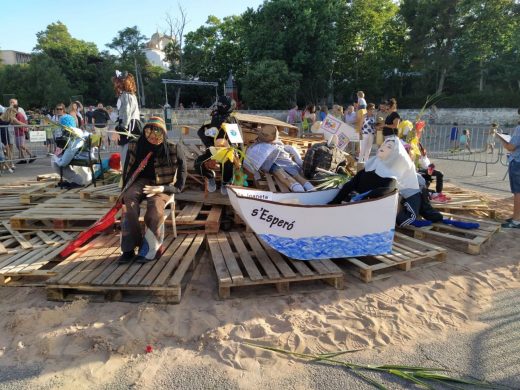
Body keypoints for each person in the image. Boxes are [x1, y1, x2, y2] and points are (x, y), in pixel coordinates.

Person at [119, 116, 187, 263]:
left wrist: (162, 188)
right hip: (140, 181)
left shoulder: (173, 148)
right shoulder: (135, 145)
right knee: (129, 202)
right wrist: (123, 192)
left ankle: (150, 247)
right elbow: (127, 171)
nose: (154, 140)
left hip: (163, 183)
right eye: (150, 137)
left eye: (157, 137)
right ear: (145, 133)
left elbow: (180, 184)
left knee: (155, 208)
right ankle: (129, 248)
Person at [330, 136, 420, 227]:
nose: (383, 147)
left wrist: (364, 196)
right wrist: (334, 202)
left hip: (370, 211)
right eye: (383, 145)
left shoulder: (391, 175)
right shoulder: (370, 168)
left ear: (394, 154)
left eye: (389, 147)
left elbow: (386, 190)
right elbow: (351, 184)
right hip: (356, 205)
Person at [245, 124, 314, 192]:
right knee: (286, 173)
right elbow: (290, 148)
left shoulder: (256, 147)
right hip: (279, 163)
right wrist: (298, 160)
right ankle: (306, 189)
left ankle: (302, 189)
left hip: (276, 163)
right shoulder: (268, 145)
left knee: (283, 173)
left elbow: (251, 158)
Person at [195, 95, 237, 195]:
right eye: (220, 104)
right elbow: (200, 131)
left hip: (227, 150)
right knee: (198, 163)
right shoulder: (214, 116)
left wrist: (234, 149)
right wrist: (208, 144)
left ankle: (225, 182)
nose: (220, 106)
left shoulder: (232, 119)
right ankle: (210, 177)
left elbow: (236, 138)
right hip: (212, 149)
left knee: (228, 164)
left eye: (223, 105)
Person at [51, 114, 95, 187]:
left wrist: (56, 158)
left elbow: (65, 160)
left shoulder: (73, 136)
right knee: (60, 158)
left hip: (83, 157)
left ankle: (77, 180)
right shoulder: (82, 132)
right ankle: (76, 179)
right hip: (87, 155)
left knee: (54, 161)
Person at [112, 71, 141, 169]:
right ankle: (128, 174)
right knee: (130, 151)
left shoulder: (126, 95)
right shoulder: (129, 95)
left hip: (129, 125)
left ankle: (127, 175)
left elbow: (127, 113)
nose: (115, 84)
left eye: (117, 82)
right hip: (129, 124)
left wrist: (121, 128)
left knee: (127, 152)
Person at [499, 118, 520, 228]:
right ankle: (517, 216)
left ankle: (516, 220)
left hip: (517, 162)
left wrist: (501, 139)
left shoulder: (519, 128)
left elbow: (511, 147)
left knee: (518, 192)